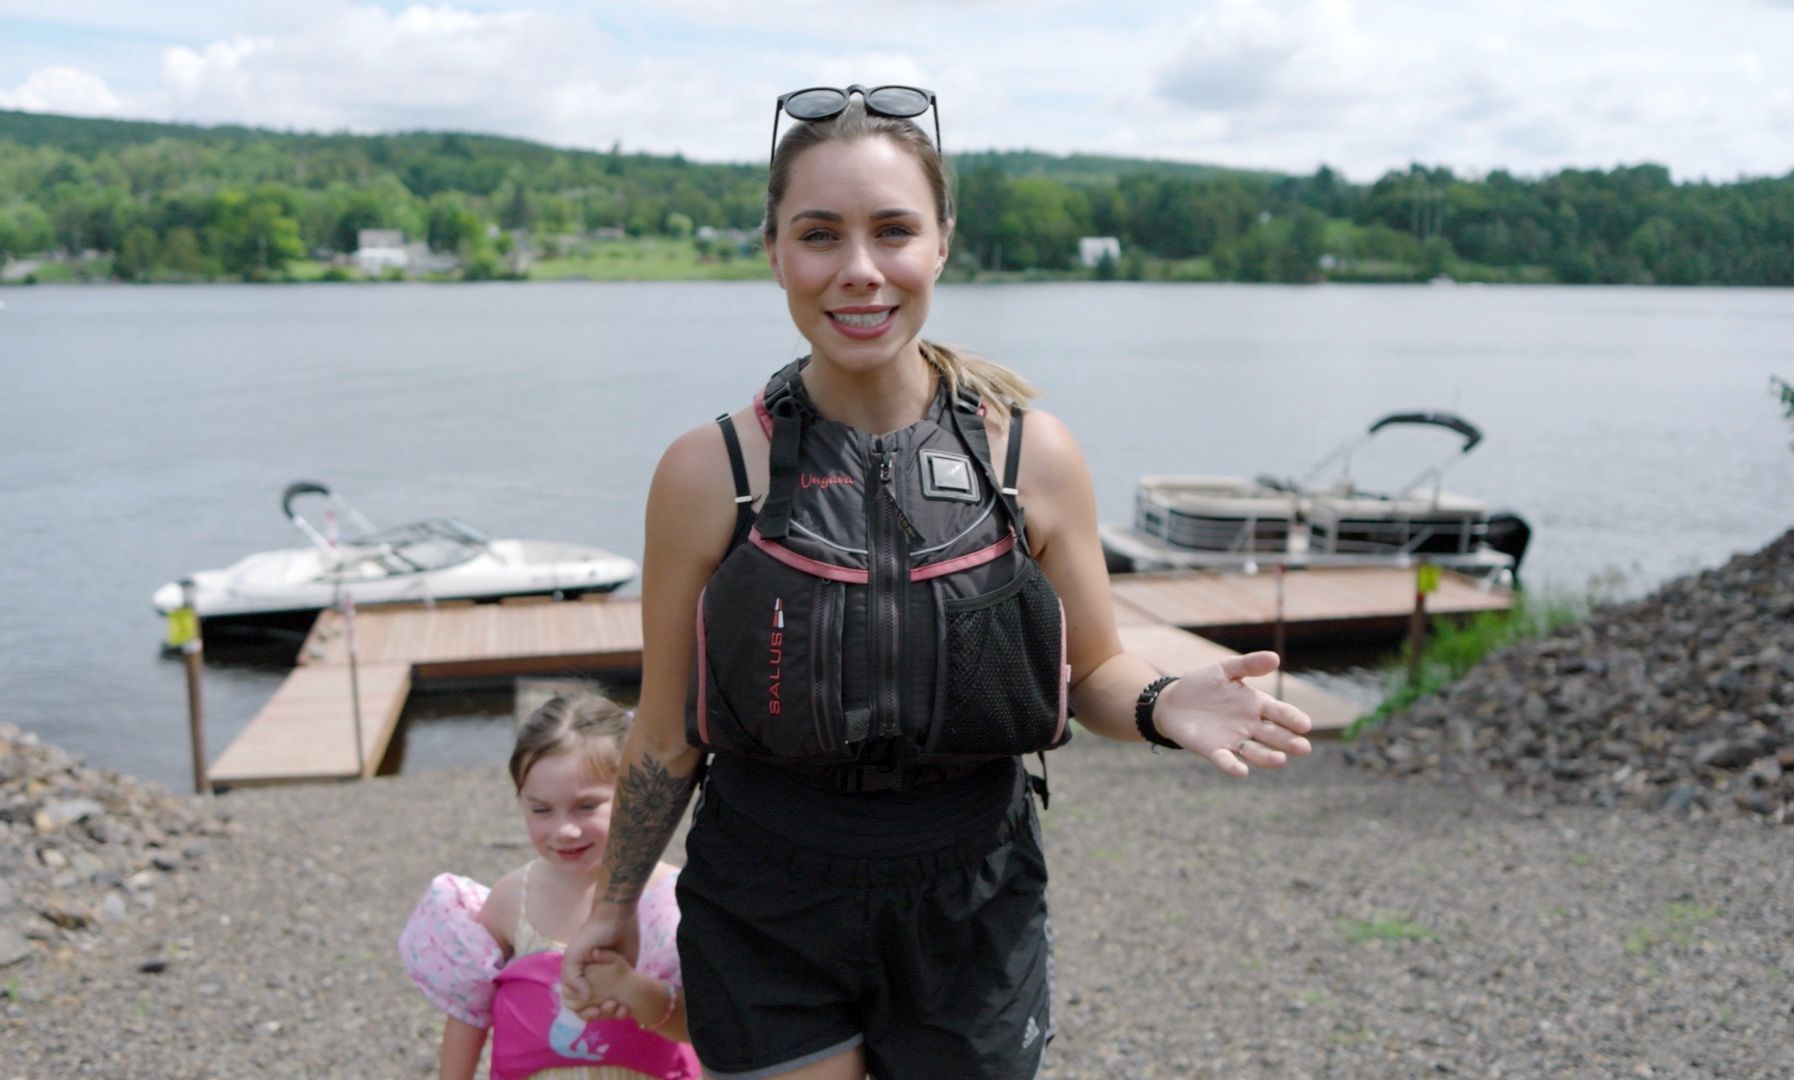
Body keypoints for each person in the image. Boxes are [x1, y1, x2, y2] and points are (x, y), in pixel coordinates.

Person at [562, 84, 1314, 1079]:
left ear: (943, 243)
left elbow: (1091, 671)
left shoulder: (1030, 457)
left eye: (894, 232)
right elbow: (667, 724)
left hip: (970, 888)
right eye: (821, 235)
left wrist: (1163, 701)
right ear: (774, 250)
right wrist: (613, 904)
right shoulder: (711, 473)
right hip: (766, 889)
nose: (861, 271)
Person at [399, 693, 700, 1080]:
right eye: (541, 810)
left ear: (634, 795)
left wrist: (633, 989)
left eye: (586, 806)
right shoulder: (511, 899)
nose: (564, 830)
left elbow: (699, 1027)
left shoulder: (669, 903)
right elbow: (467, 1011)